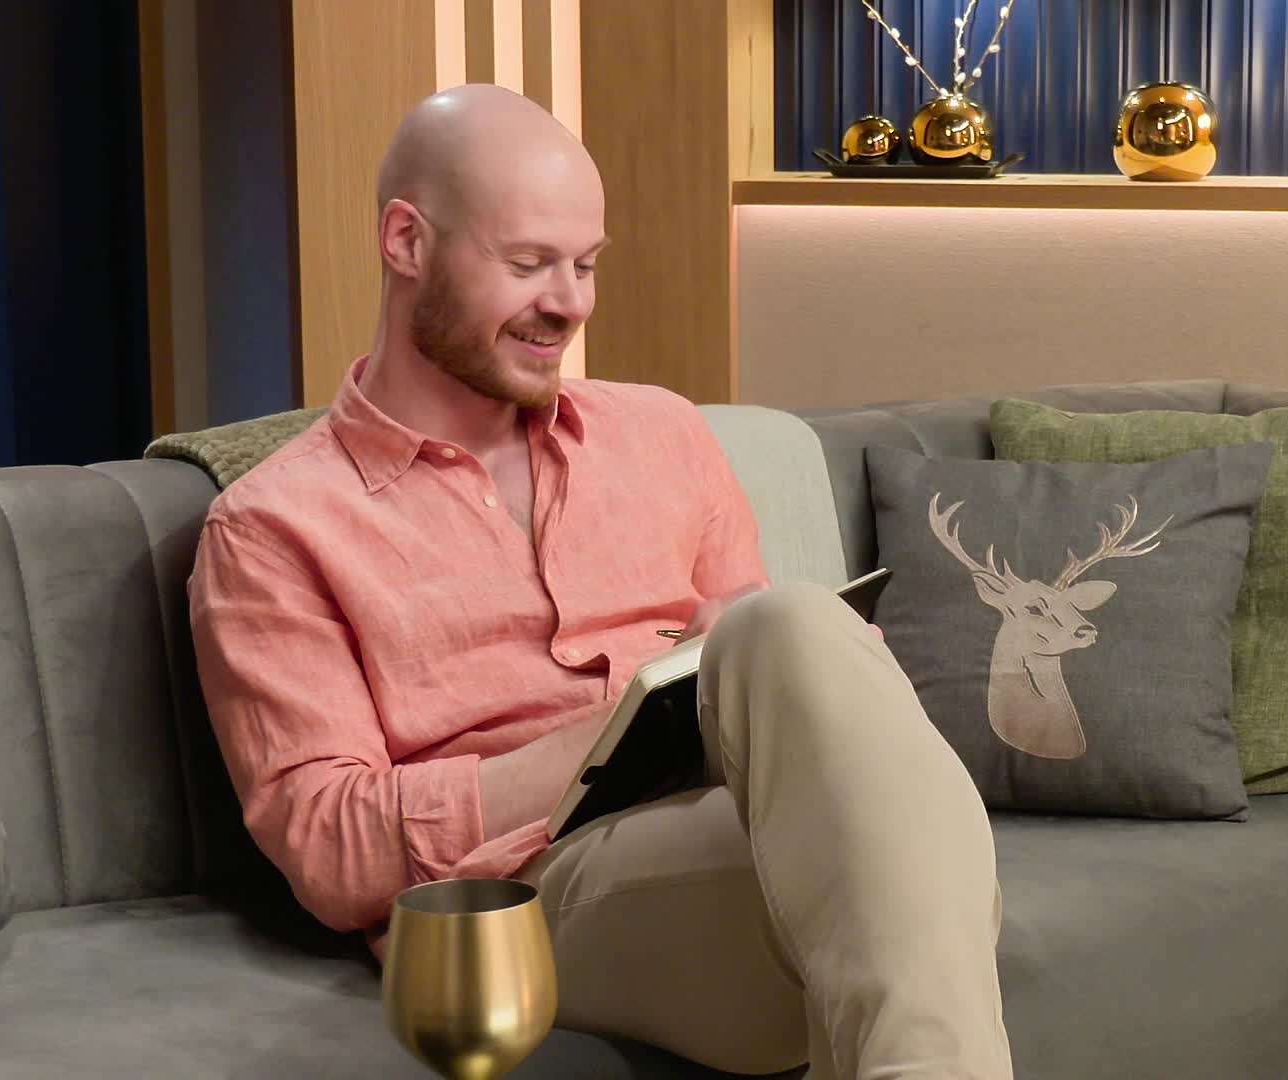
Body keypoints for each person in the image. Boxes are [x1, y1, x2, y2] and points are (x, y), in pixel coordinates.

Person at [187, 84, 1012, 1078]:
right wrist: (624, 728)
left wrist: (792, 673)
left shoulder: (660, 432)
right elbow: (331, 851)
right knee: (905, 864)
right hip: (526, 893)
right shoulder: (275, 527)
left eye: (585, 265)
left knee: (799, 642)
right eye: (527, 264)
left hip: (735, 813)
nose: (570, 303)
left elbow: (785, 696)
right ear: (406, 242)